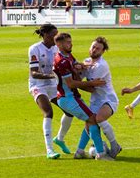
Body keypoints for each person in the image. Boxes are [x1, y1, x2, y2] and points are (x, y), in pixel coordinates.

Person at [53, 33, 112, 160]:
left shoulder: (67, 55)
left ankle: (80, 152)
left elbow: (74, 64)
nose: (71, 44)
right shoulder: (61, 61)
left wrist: (81, 65)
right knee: (92, 120)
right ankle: (101, 154)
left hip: (71, 97)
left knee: (89, 120)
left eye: (71, 41)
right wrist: (92, 83)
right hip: (68, 97)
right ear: (59, 45)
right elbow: (71, 83)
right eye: (67, 42)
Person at [28, 24, 74, 159]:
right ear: (46, 35)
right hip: (38, 85)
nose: (57, 37)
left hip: (54, 85)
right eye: (54, 34)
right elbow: (34, 73)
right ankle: (49, 150)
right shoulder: (34, 49)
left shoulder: (56, 48)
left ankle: (59, 138)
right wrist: (51, 76)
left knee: (70, 110)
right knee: (48, 112)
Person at [76, 37, 122, 158]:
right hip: (95, 100)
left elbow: (91, 87)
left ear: (102, 52)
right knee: (89, 124)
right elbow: (80, 79)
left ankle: (114, 145)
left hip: (108, 99)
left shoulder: (101, 65)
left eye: (98, 48)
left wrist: (76, 84)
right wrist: (78, 69)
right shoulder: (87, 61)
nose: (94, 50)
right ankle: (80, 151)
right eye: (93, 47)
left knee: (99, 118)